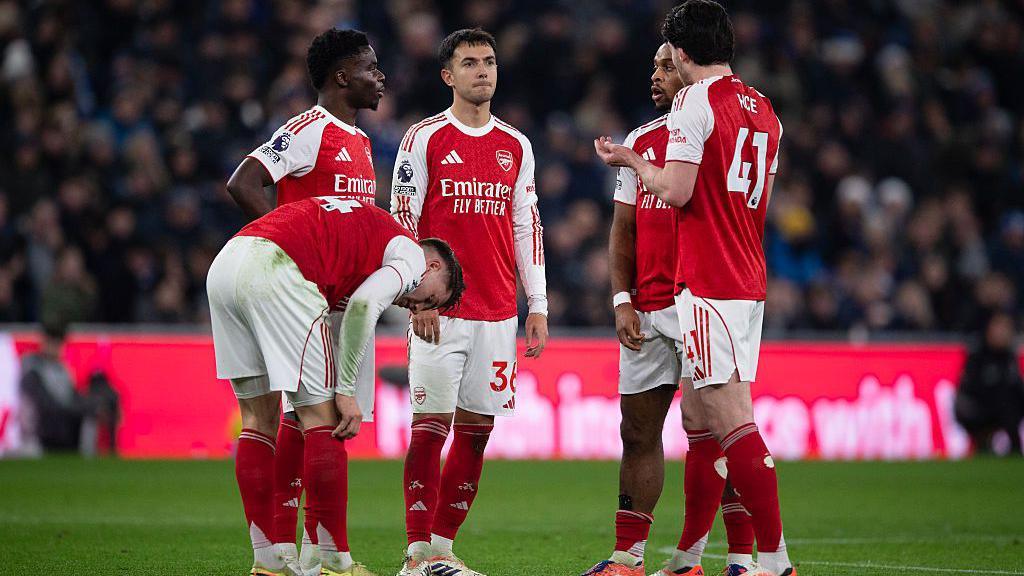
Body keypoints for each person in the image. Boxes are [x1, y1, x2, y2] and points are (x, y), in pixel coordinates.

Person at [594, 2, 793, 575]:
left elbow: (677, 192)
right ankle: (691, 558)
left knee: (732, 421)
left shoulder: (693, 102)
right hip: (747, 278)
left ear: (681, 55)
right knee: (707, 417)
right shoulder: (765, 110)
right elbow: (755, 202)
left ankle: (773, 562)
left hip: (708, 282)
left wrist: (630, 158)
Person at [208, 196, 465, 576]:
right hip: (279, 269)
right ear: (432, 265)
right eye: (426, 299)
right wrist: (345, 390)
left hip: (228, 262)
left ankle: (268, 562)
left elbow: (351, 302)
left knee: (257, 421)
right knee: (323, 418)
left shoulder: (364, 243)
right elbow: (364, 306)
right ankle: (333, 563)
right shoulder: (410, 256)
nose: (413, 306)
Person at [225, 28, 386, 573]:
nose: (380, 77)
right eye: (370, 67)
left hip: (338, 301)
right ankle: (322, 557)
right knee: (314, 417)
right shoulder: (309, 128)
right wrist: (288, 250)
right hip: (301, 295)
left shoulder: (362, 143)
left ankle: (285, 554)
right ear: (342, 76)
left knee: (302, 418)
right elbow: (244, 182)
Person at [389, 28, 548, 576]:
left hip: (500, 313)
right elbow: (403, 224)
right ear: (447, 76)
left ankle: (442, 549)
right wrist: (417, 299)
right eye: (470, 63)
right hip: (441, 313)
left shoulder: (516, 145)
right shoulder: (423, 138)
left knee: (477, 434)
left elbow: (527, 225)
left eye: (489, 62)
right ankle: (415, 555)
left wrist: (538, 304)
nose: (483, 71)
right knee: (430, 426)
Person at [955, 312, 1024, 455]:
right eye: (998, 327)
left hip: (1005, 410)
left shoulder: (1009, 358)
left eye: (1006, 328)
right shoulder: (977, 357)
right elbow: (970, 389)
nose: (1002, 333)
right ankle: (988, 443)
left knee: (1008, 402)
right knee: (1003, 400)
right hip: (980, 409)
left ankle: (1013, 447)